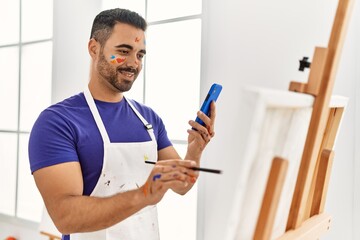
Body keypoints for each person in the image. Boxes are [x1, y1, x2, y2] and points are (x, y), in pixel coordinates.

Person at [29, 8, 216, 240]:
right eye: (124, 51)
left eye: (140, 55)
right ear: (94, 48)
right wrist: (143, 194)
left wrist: (195, 150)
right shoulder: (57, 122)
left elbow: (181, 185)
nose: (133, 63)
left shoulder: (149, 118)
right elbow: (65, 217)